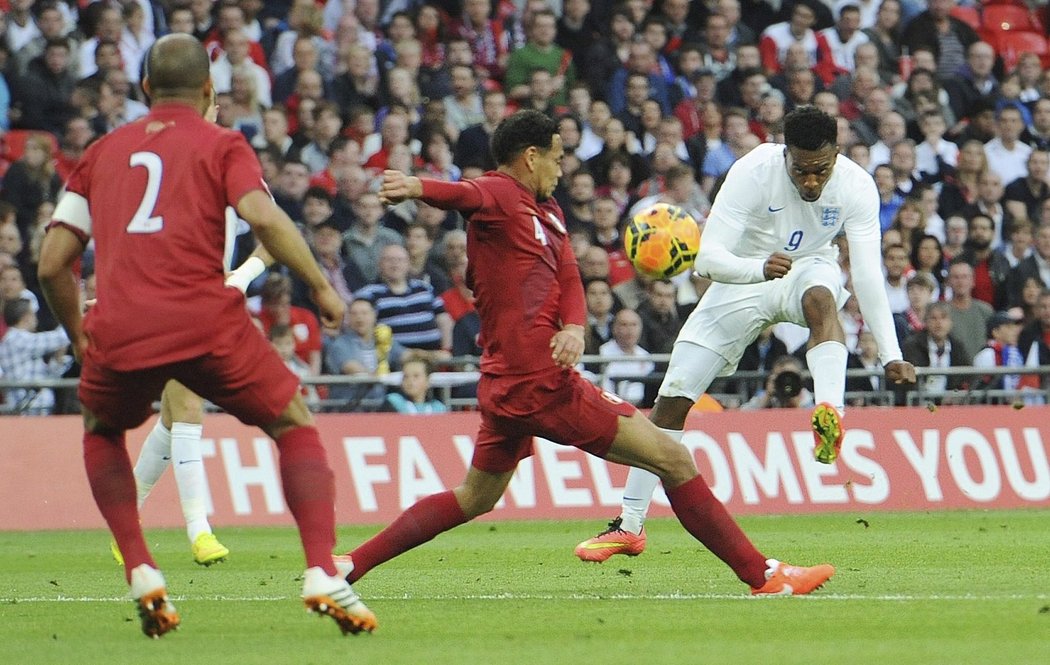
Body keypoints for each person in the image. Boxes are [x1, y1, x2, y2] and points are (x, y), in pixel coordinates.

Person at [338, 110, 835, 600]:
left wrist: (575, 326)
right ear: (530, 157)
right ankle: (763, 575)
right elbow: (463, 193)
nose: (563, 168)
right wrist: (416, 186)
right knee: (673, 458)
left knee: (476, 496)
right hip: (539, 379)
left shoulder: (548, 215)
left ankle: (351, 563)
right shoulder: (500, 193)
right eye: (556, 157)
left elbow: (570, 277)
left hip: (510, 382)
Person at [36, 34, 375, 638]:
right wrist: (322, 288)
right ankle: (322, 570)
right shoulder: (222, 144)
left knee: (102, 431)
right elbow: (265, 217)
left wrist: (79, 335)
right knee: (294, 424)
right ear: (209, 90)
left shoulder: (102, 153)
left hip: (122, 322)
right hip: (205, 318)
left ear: (144, 89)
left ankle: (140, 564)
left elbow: (51, 263)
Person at [575, 106, 916, 561]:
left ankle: (830, 412)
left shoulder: (856, 185)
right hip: (743, 277)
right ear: (784, 156)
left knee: (823, 298)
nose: (812, 182)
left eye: (821, 170)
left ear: (836, 154)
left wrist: (890, 352)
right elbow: (708, 258)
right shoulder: (752, 171)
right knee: (672, 398)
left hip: (808, 266)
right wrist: (756, 268)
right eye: (802, 171)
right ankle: (629, 525)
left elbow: (869, 275)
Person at [381, 357, 447, 413]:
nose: (410, 381)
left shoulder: (438, 409)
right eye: (406, 376)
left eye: (416, 376)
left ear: (427, 381)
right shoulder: (393, 402)